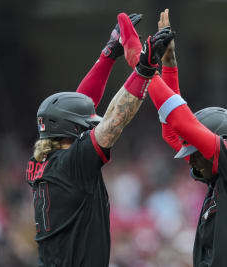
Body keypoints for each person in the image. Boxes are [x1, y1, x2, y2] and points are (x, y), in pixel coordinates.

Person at [25, 13, 174, 267]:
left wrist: (108, 55)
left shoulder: (44, 159)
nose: (91, 127)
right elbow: (114, 121)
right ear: (72, 131)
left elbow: (79, 105)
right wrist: (143, 71)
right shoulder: (73, 164)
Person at [142, 9, 227, 267]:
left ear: (223, 142)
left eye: (195, 152)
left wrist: (143, 66)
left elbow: (181, 121)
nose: (191, 161)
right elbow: (173, 130)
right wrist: (168, 66)